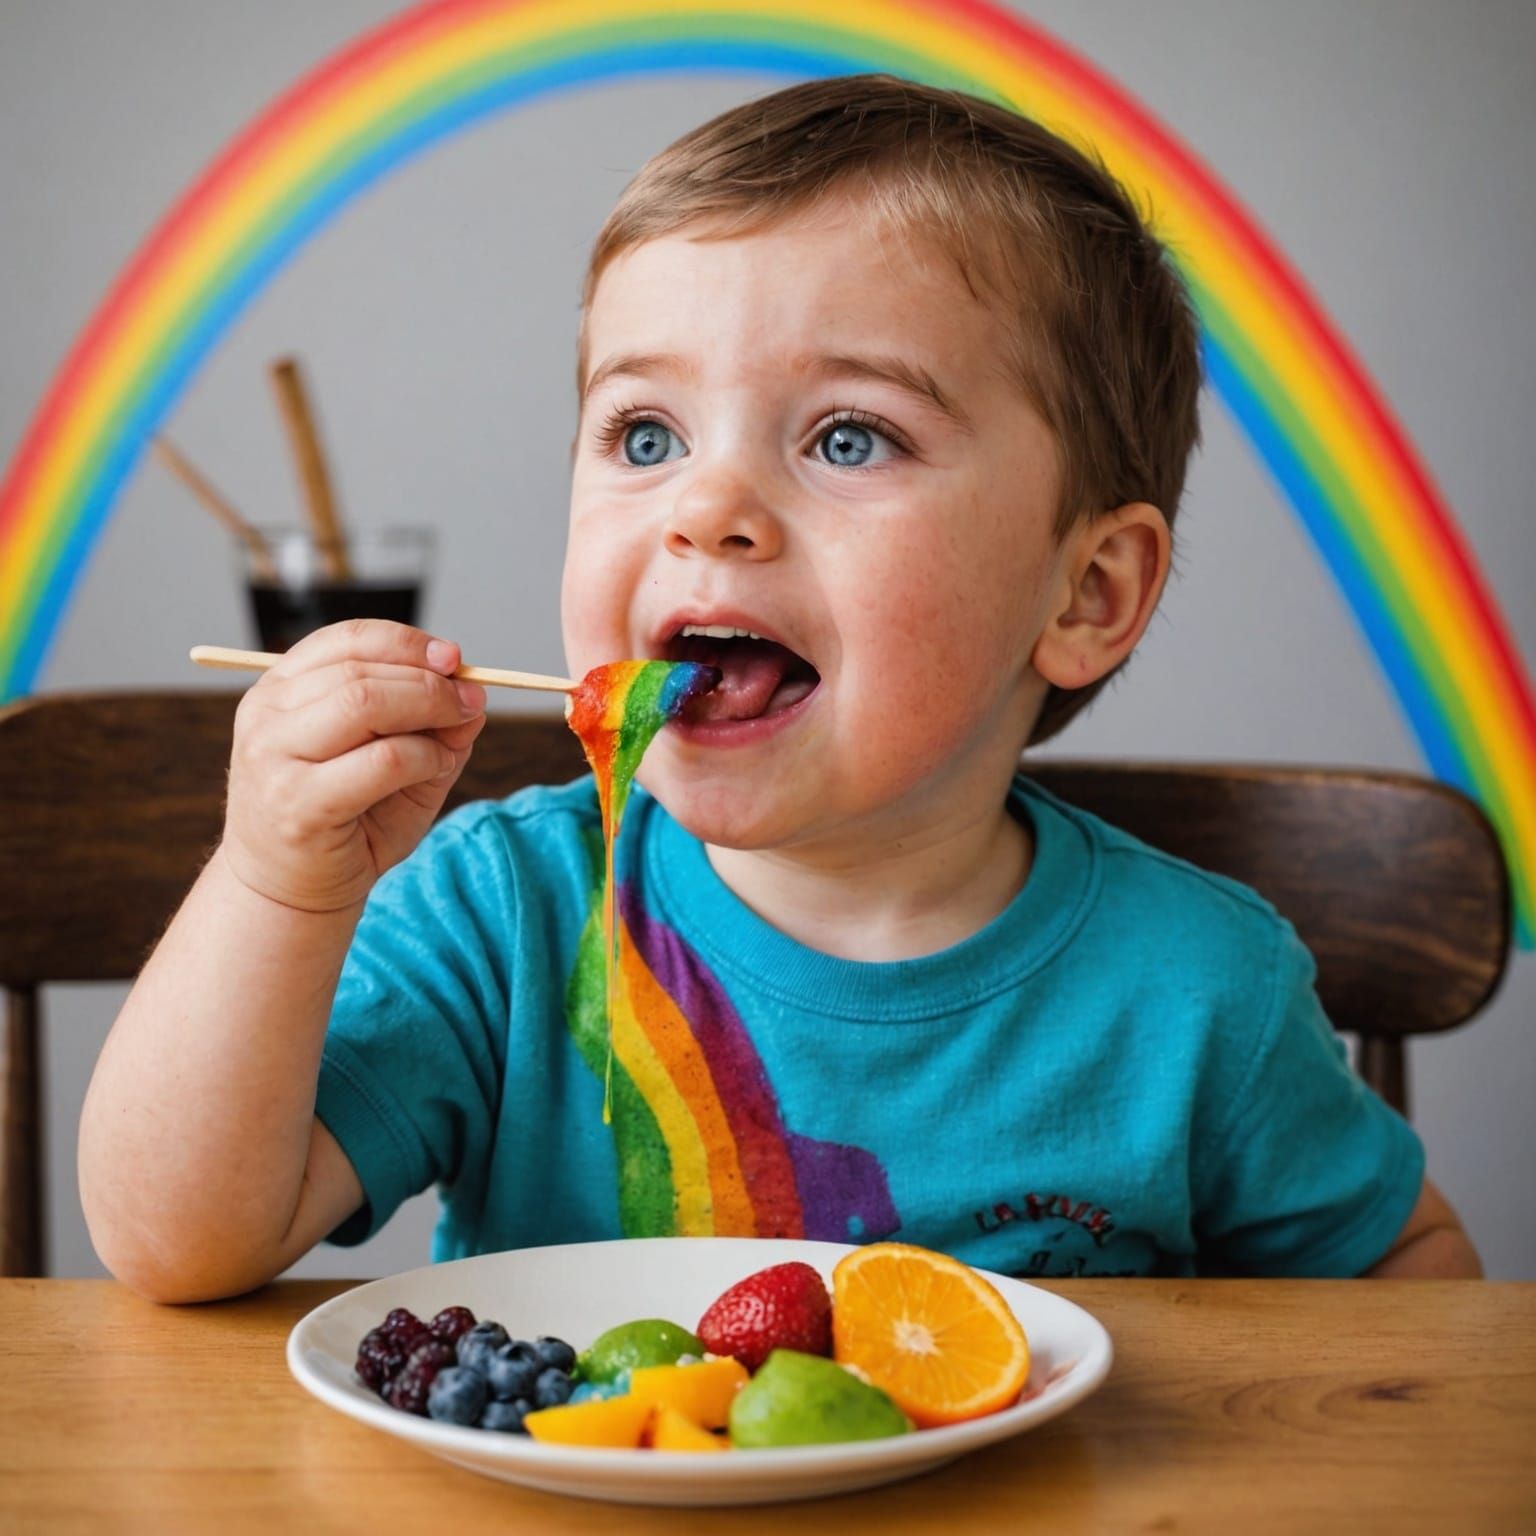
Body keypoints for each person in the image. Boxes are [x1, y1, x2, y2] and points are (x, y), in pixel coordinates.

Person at [80, 75, 1480, 1300]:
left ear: (1086, 594)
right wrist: (280, 883)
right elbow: (173, 1241)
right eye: (643, 432)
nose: (709, 507)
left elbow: (1413, 1285)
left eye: (852, 437)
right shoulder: (505, 916)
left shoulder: (1197, 996)